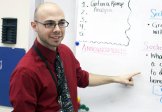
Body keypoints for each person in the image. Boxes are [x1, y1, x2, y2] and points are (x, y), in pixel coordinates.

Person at [9, 2, 140, 112]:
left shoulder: (65, 52)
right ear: (34, 26)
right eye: (49, 24)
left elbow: (81, 78)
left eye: (61, 23)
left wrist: (116, 78)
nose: (57, 29)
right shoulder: (25, 72)